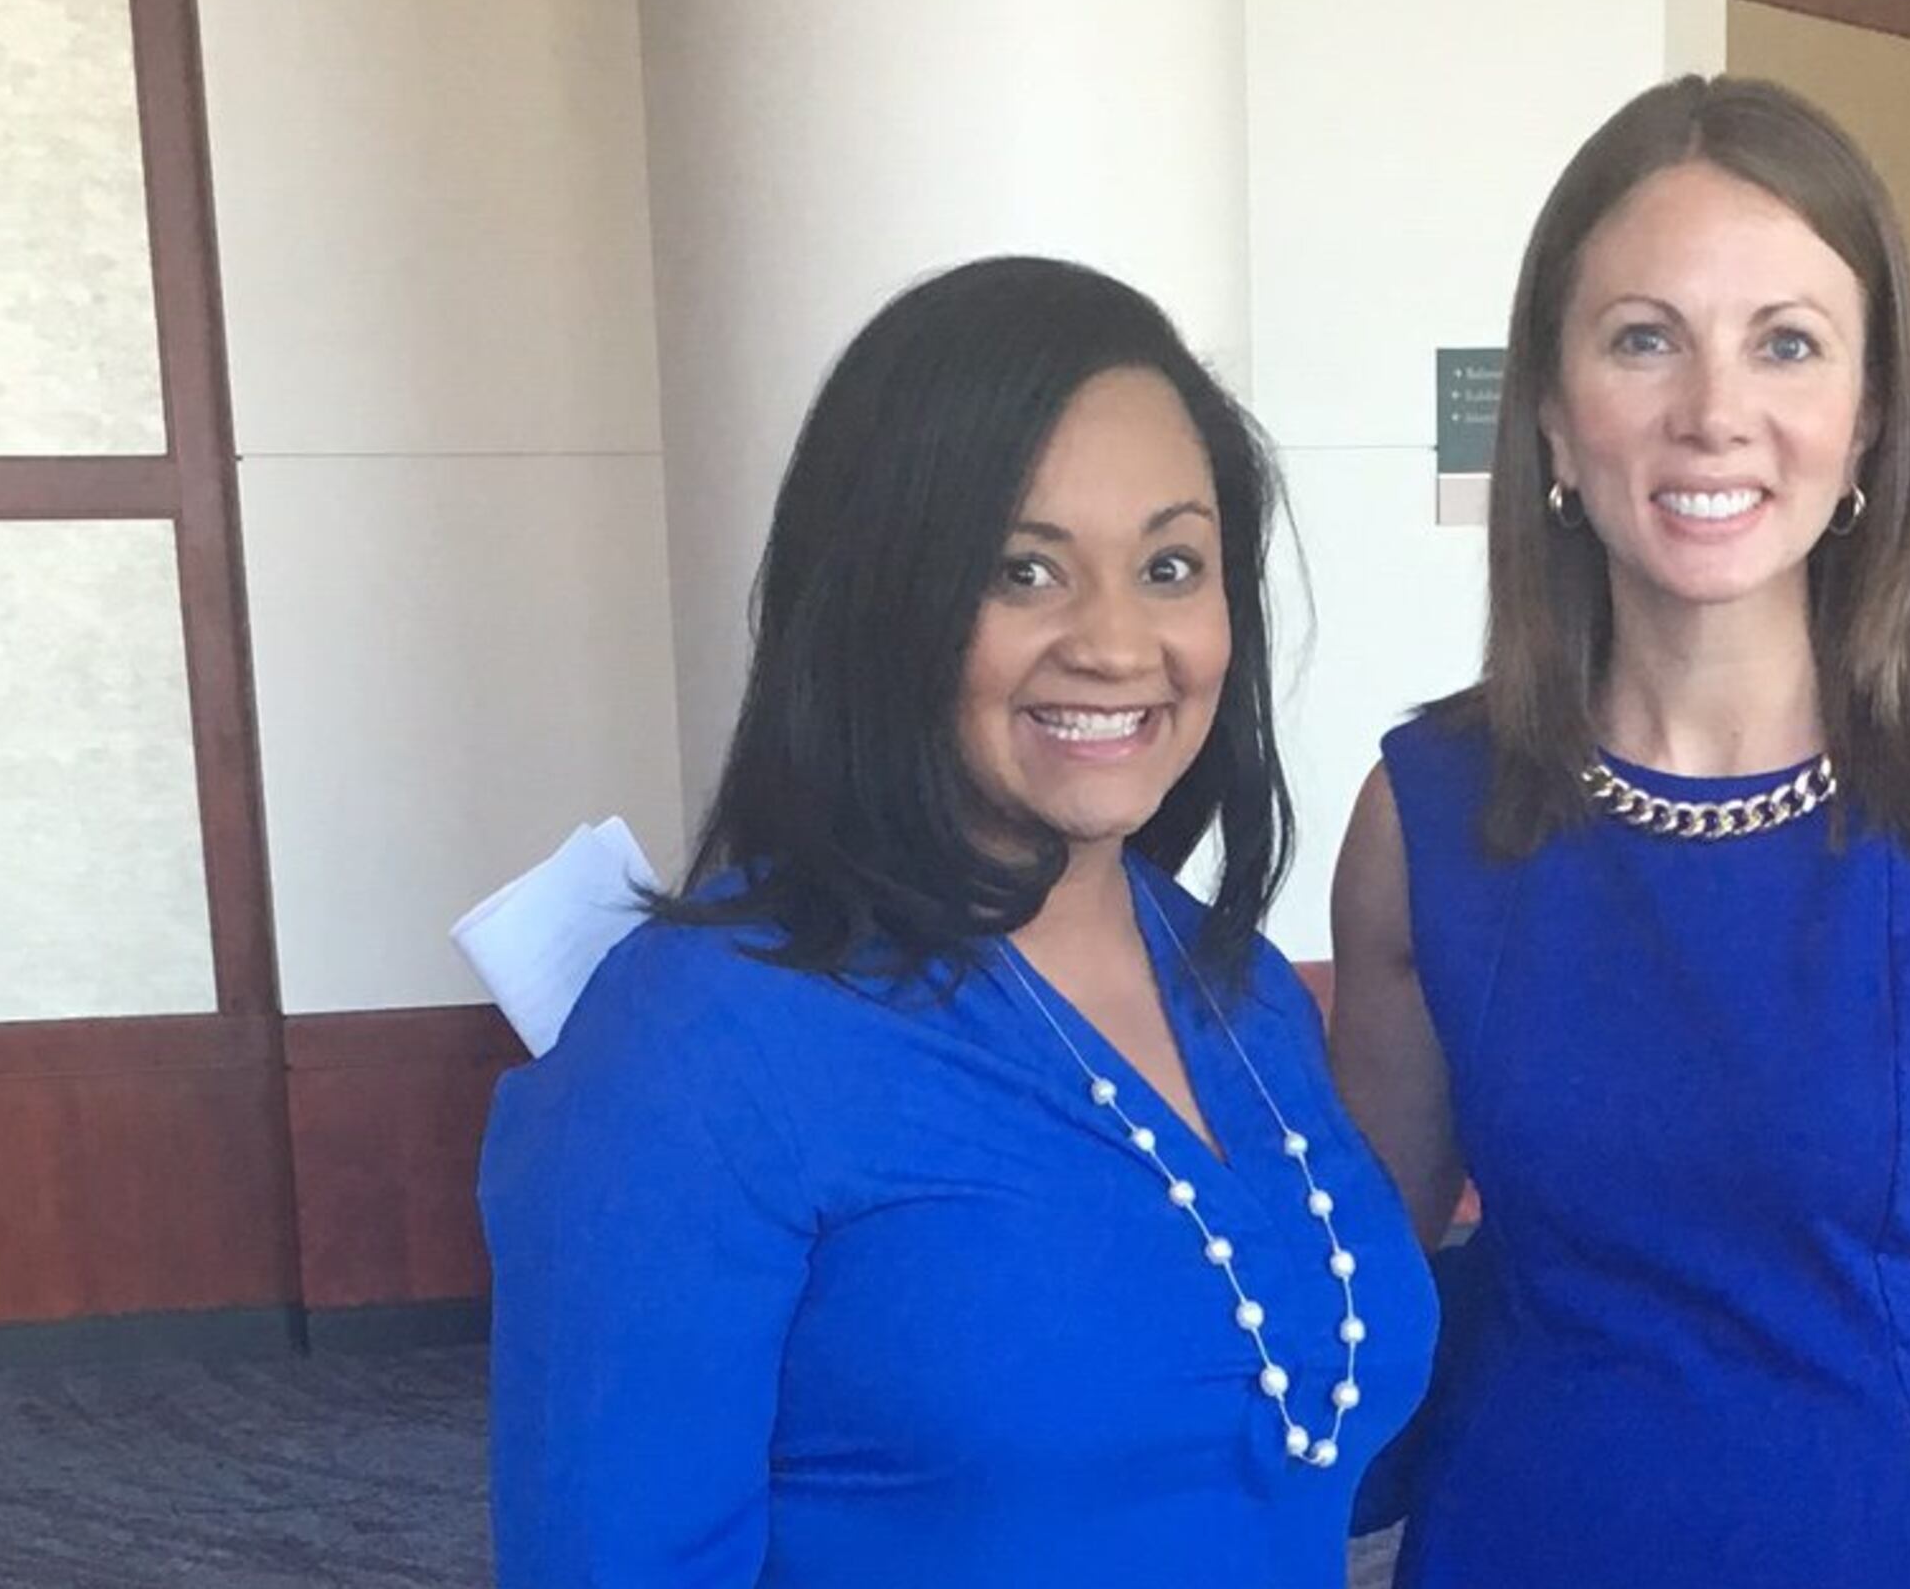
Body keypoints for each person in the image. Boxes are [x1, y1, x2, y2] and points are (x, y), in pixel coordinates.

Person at [1330, 78, 1910, 1588]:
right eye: (1643, 338)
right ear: (1549, 408)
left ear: (1867, 422)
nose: (1713, 411)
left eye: (1785, 343)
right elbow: (1354, 1336)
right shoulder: (1428, 815)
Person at [482, 256, 1435, 1588]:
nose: (1115, 642)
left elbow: (1310, 1440)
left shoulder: (1241, 992)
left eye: (1170, 564)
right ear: (883, 598)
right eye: (1022, 570)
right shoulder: (698, 1043)